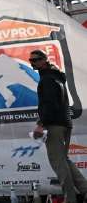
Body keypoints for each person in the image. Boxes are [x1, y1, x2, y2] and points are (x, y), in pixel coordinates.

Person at [31, 49, 87, 203]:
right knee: (63, 160)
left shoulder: (48, 79)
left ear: (44, 60)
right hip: (64, 123)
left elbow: (50, 104)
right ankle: (85, 190)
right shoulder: (56, 77)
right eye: (31, 59)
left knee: (58, 162)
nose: (32, 62)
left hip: (55, 124)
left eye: (36, 59)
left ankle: (70, 199)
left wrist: (41, 124)